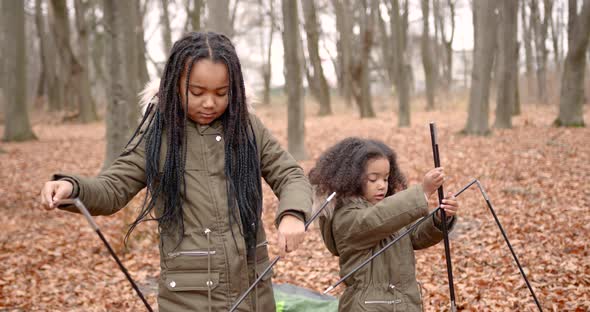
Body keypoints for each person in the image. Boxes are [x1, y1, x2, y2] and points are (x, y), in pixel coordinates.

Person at [40, 31, 312, 312]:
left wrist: (292, 213)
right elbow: (112, 188)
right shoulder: (157, 134)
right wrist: (72, 188)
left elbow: (290, 174)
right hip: (188, 298)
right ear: (174, 84)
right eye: (196, 92)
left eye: (221, 93)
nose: (209, 103)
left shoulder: (247, 128)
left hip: (254, 294)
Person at [308, 137, 459, 312]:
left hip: (403, 303)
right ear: (351, 179)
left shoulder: (387, 212)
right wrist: (422, 193)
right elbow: (374, 220)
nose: (382, 186)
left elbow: (414, 235)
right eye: (373, 179)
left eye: (386, 179)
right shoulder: (346, 218)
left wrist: (441, 219)